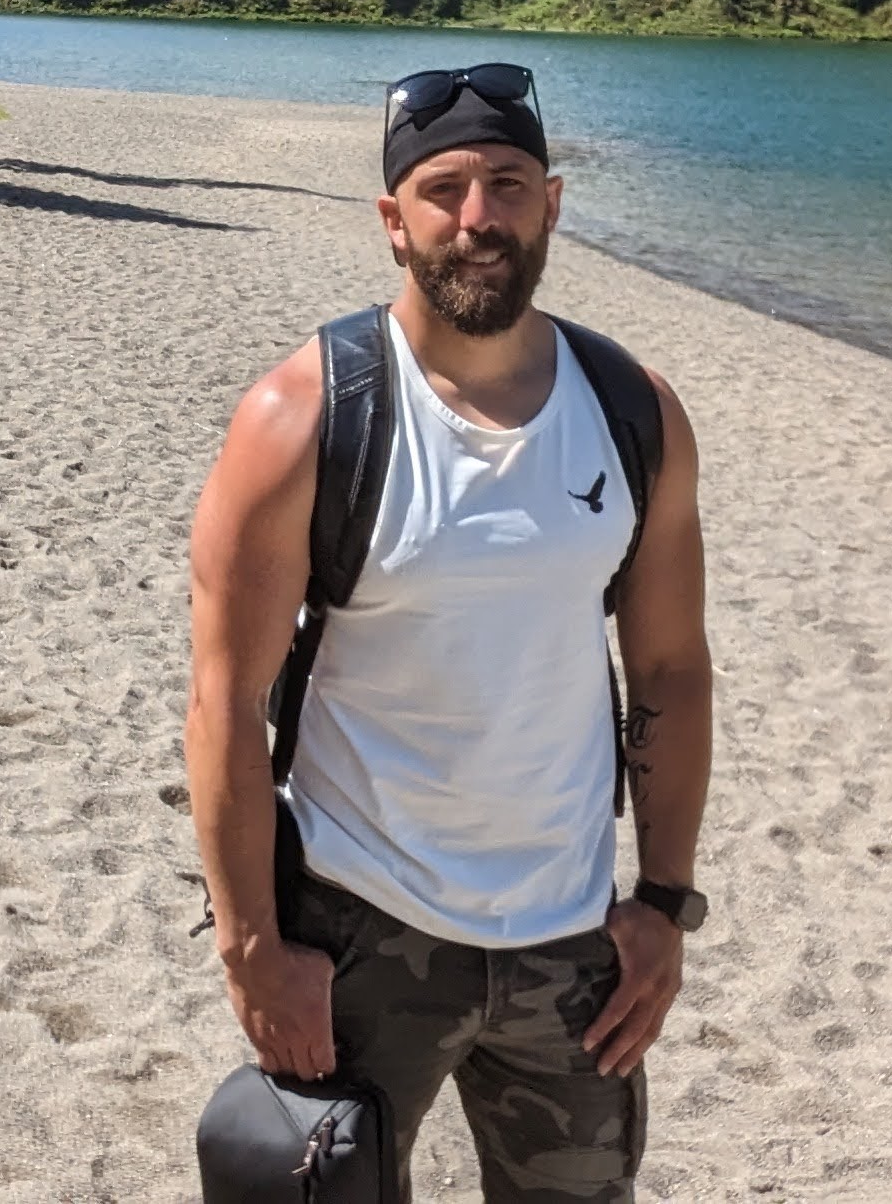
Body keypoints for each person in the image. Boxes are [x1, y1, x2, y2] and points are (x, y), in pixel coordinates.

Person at [184, 63, 712, 1201]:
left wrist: (665, 903)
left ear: (552, 205)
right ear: (394, 220)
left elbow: (670, 668)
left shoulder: (635, 412)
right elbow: (224, 699)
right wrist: (253, 948)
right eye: (444, 190)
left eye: (509, 185)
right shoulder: (303, 418)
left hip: (571, 950)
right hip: (361, 937)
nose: (479, 218)